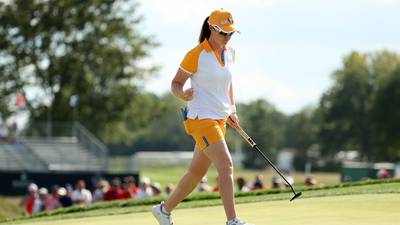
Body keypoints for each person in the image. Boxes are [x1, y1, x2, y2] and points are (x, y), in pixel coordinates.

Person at [151, 9, 254, 225]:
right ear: (211, 29)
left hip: (220, 119)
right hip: (201, 119)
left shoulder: (230, 53)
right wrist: (182, 94)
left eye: (230, 34)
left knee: (195, 173)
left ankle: (164, 209)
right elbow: (175, 83)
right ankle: (232, 221)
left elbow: (229, 84)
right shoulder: (196, 54)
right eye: (223, 33)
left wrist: (232, 110)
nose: (227, 38)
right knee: (226, 166)